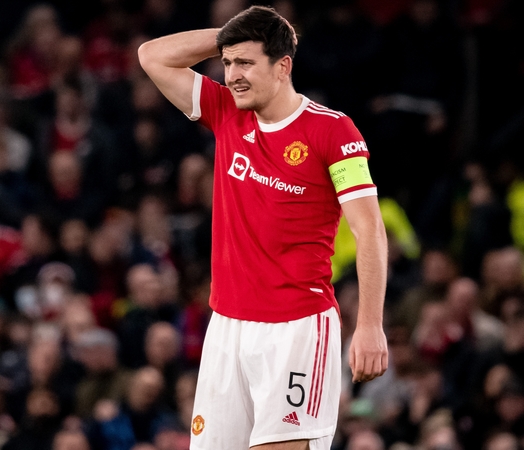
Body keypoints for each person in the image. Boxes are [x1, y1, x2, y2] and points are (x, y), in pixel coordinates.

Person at [138, 6, 389, 449]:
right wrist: (231, 37)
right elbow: (152, 56)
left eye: (246, 63)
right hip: (228, 326)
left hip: (297, 328)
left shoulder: (333, 132)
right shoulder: (227, 112)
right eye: (228, 62)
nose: (232, 74)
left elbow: (369, 229)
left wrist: (369, 324)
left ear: (282, 66)